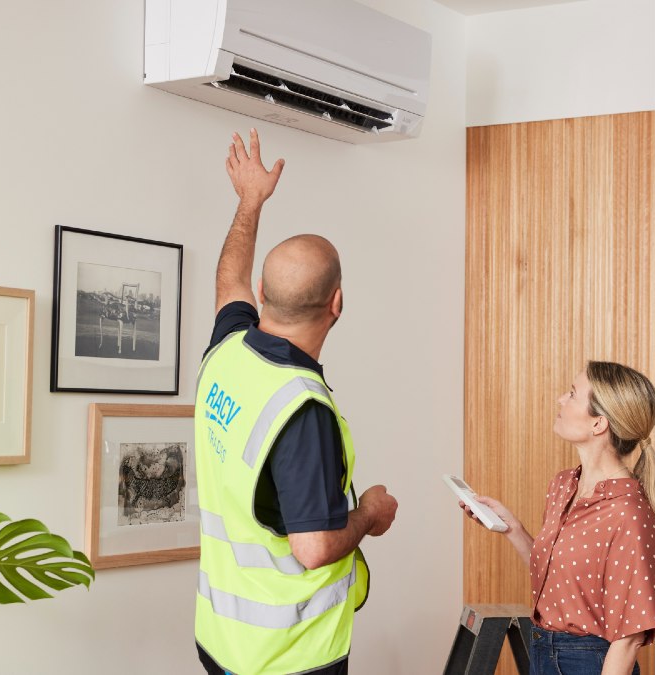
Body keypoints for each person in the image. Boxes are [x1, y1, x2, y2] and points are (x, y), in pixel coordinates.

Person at [193, 129, 399, 675]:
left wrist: (249, 202)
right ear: (338, 303)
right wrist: (370, 514)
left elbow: (227, 279)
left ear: (263, 292)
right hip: (290, 655)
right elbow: (313, 548)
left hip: (221, 639)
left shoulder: (228, 351)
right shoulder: (301, 410)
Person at [461, 361, 655, 675]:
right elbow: (555, 579)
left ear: (598, 424)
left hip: (590, 662)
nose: (561, 399)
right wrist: (512, 528)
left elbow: (630, 637)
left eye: (573, 394)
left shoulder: (628, 511)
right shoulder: (563, 486)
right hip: (542, 650)